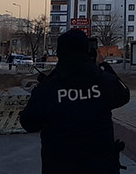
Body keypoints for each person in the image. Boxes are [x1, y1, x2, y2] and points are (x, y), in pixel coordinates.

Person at [19, 28, 130, 173]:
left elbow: (28, 123)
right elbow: (124, 95)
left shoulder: (48, 88)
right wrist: (102, 65)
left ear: (59, 53)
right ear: (88, 51)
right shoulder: (104, 82)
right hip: (101, 167)